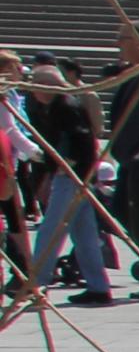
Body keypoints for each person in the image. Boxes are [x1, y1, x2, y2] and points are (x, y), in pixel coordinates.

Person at [26, 57, 114, 295]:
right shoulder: (58, 106)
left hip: (71, 177)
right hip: (79, 175)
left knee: (51, 229)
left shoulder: (66, 107)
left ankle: (37, 282)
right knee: (84, 233)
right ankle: (99, 287)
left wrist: (64, 169)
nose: (33, 92)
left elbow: (80, 143)